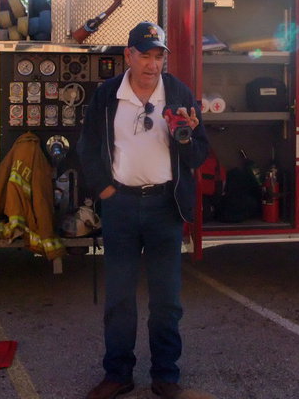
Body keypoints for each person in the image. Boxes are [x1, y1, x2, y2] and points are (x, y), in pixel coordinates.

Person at [78, 22, 209, 399]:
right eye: (145, 56)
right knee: (119, 297)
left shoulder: (178, 92)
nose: (153, 65)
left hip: (165, 207)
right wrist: (105, 189)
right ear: (128, 56)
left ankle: (165, 375)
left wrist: (186, 137)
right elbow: (87, 146)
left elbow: (198, 154)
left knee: (166, 299)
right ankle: (118, 374)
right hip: (120, 206)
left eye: (158, 57)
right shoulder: (108, 94)